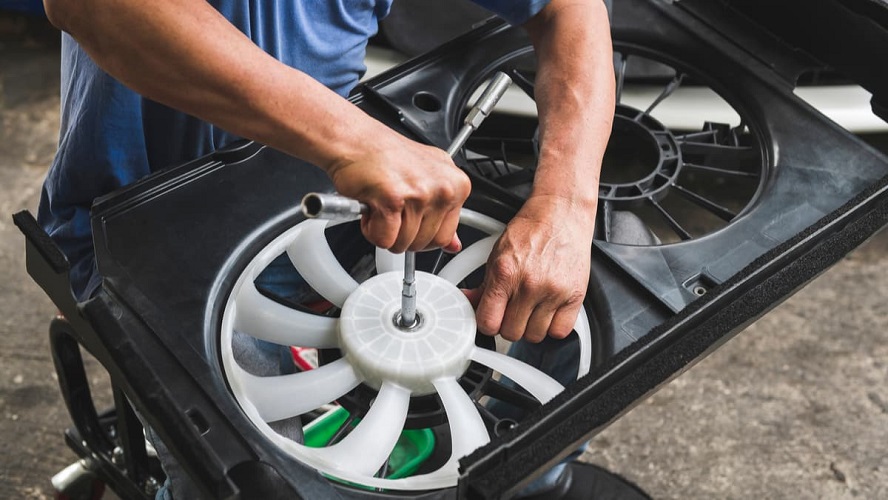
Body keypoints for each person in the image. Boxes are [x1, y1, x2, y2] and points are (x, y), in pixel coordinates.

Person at [38, 0, 623, 498]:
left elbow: (567, 11)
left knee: (599, 297)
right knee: (258, 476)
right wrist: (356, 142)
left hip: (328, 206)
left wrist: (565, 207)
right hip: (149, 235)